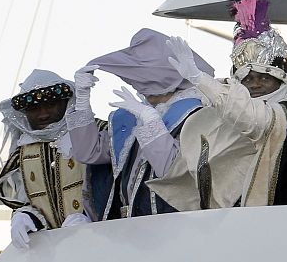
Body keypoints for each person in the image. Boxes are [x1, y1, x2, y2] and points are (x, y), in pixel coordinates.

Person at [148, 0, 287, 210]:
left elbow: (252, 119)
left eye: (264, 77)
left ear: (281, 79)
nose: (255, 84)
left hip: (274, 216)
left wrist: (200, 79)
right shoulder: (222, 114)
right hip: (232, 217)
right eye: (249, 79)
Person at [66, 28, 214, 219]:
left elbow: (174, 172)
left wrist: (152, 122)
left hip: (176, 223)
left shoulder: (198, 113)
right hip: (130, 227)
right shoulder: (130, 113)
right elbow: (88, 153)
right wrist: (82, 102)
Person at [0, 70, 94, 249]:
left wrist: (91, 216)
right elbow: (27, 200)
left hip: (101, 240)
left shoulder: (94, 133)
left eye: (51, 105)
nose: (43, 114)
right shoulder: (23, 150)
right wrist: (24, 216)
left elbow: (116, 186)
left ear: (65, 102)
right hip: (50, 252)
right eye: (34, 109)